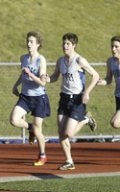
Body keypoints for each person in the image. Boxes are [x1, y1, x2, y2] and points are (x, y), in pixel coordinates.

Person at [41, 33, 99, 170]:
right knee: (61, 132)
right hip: (64, 98)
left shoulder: (80, 61)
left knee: (69, 133)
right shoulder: (60, 61)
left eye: (67, 44)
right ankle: (69, 161)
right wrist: (47, 79)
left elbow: (95, 75)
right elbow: (55, 77)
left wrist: (87, 92)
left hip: (78, 99)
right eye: (63, 43)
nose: (64, 46)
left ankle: (85, 118)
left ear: (74, 45)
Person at [10, 31, 51, 166]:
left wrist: (31, 74)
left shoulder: (41, 60)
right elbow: (23, 75)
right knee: (14, 120)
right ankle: (30, 127)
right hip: (26, 97)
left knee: (38, 131)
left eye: (32, 42)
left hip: (39, 98)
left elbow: (42, 82)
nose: (28, 44)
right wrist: (16, 85)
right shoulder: (23, 58)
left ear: (38, 45)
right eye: (28, 41)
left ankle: (42, 155)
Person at [97, 36, 120, 129]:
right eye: (112, 46)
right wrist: (101, 81)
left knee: (115, 122)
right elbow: (109, 79)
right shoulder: (110, 61)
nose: (113, 49)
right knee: (115, 123)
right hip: (118, 96)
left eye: (116, 46)